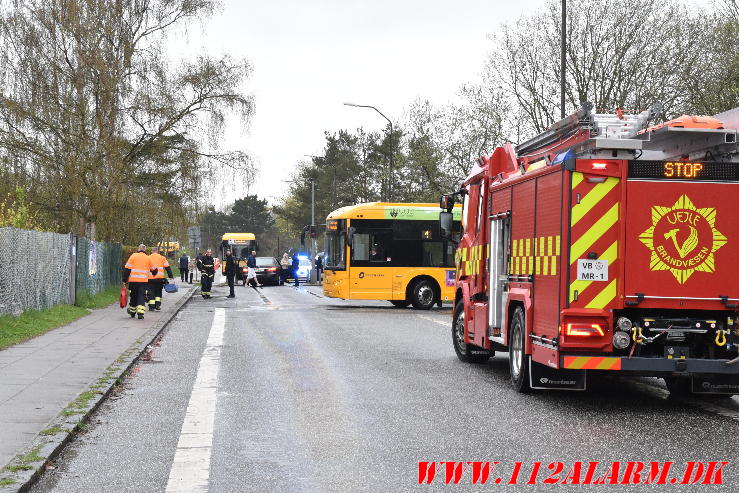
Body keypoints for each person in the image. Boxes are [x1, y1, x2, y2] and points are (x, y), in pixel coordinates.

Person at [122, 244, 158, 319]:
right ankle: (140, 313)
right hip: (143, 282)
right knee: (141, 296)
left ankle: (132, 312)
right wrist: (153, 274)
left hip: (133, 281)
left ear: (138, 249)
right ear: (145, 250)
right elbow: (155, 270)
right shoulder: (148, 258)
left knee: (133, 296)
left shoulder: (133, 256)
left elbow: (127, 269)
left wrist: (124, 280)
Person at [148, 247, 174, 311]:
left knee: (151, 292)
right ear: (158, 251)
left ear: (152, 251)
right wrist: (170, 276)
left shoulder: (148, 257)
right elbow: (167, 267)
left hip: (150, 278)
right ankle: (157, 305)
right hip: (160, 278)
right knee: (158, 292)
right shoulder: (162, 258)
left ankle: (151, 307)